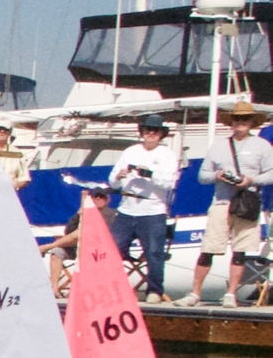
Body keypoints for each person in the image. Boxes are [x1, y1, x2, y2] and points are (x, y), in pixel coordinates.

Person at [186, 100, 273, 305]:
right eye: (237, 118)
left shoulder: (262, 146)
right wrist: (217, 175)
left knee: (240, 251)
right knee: (208, 249)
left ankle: (231, 294)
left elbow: (271, 174)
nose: (241, 122)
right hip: (221, 202)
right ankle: (195, 293)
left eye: (245, 118)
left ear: (251, 122)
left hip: (247, 203)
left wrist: (250, 180)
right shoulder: (219, 145)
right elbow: (202, 176)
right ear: (231, 122)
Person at [109, 113, 180, 302]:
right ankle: (112, 289)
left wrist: (148, 174)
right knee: (112, 250)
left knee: (154, 252)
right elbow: (112, 182)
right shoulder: (130, 151)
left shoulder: (167, 154)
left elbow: (169, 183)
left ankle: (154, 291)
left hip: (152, 211)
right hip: (126, 209)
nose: (151, 133)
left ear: (161, 134)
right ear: (142, 131)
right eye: (148, 129)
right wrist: (119, 176)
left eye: (155, 130)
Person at [47, 185, 115, 296]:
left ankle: (47, 246)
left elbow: (107, 234)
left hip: (98, 250)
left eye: (101, 196)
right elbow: (68, 231)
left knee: (83, 232)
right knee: (57, 252)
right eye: (95, 196)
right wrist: (79, 216)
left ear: (107, 200)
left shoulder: (112, 215)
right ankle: (54, 288)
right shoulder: (83, 213)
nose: (98, 198)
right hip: (78, 247)